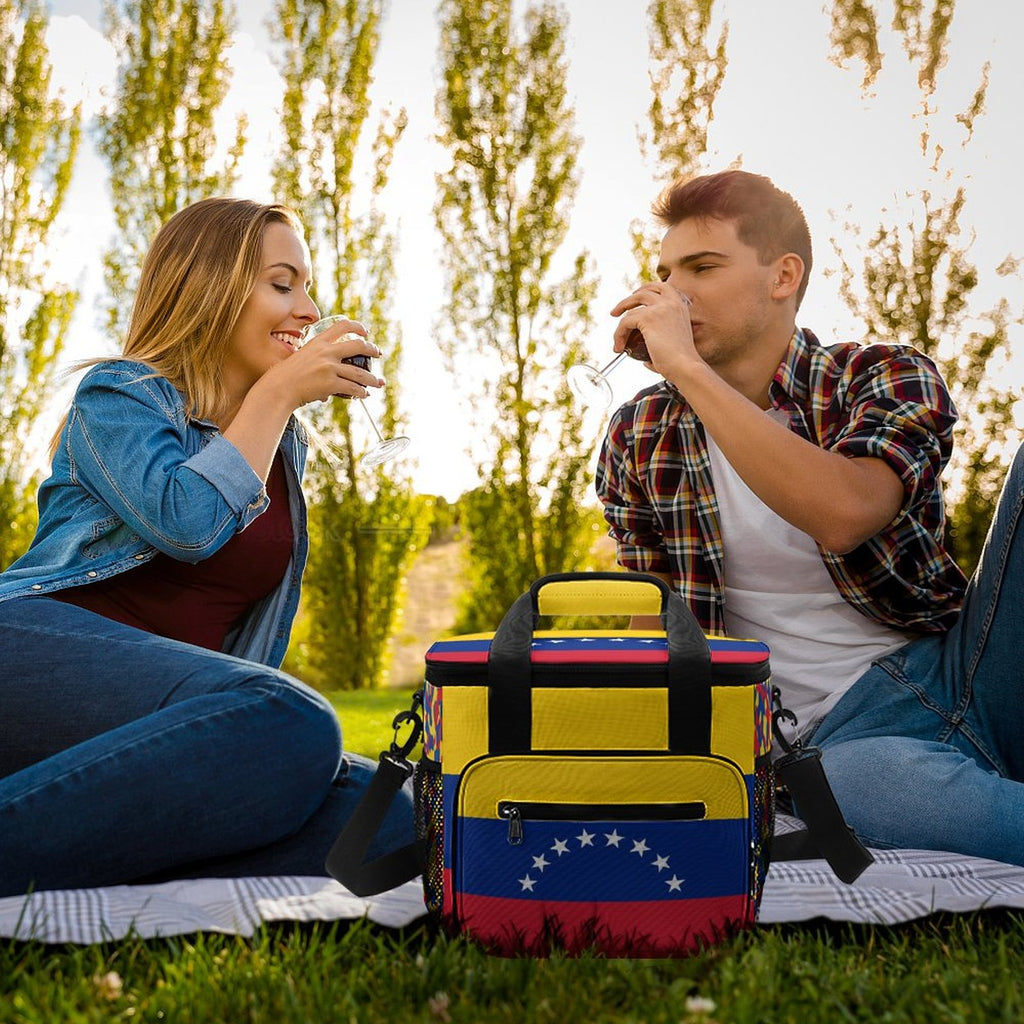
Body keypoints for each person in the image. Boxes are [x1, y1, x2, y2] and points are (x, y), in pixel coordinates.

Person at [596, 169, 1024, 865]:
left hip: (959, 672)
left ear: (783, 275)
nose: (673, 293)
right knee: (852, 787)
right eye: (665, 272)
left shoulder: (881, 375)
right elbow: (666, 630)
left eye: (703, 267)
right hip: (838, 743)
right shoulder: (640, 435)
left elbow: (848, 512)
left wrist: (690, 372)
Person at [0, 197, 414, 897]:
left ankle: (69, 850)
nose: (308, 309)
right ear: (209, 289)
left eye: (307, 287)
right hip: (28, 658)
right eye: (283, 284)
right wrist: (279, 393)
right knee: (294, 720)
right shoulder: (118, 397)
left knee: (392, 822)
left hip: (154, 720)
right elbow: (187, 524)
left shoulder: (284, 449)